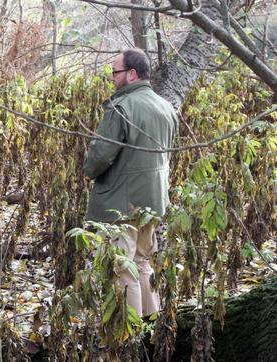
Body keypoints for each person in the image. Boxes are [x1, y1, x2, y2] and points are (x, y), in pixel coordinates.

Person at [82, 48, 178, 317]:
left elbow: (100, 156)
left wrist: (87, 170)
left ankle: (127, 339)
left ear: (132, 74)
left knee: (121, 267)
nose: (112, 78)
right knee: (142, 263)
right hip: (154, 202)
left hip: (120, 204)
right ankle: (149, 330)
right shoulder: (167, 107)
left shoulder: (121, 108)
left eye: (115, 72)